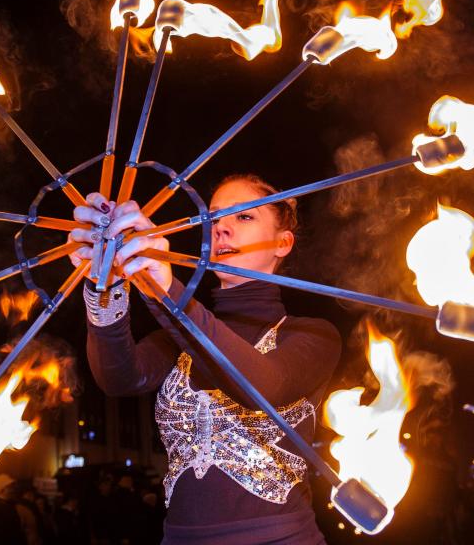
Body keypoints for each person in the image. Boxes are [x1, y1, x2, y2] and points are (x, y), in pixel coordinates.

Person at [70, 174, 341, 544]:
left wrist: (165, 289)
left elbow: (265, 384)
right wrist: (105, 284)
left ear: (283, 242)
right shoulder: (176, 337)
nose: (222, 229)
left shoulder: (312, 334)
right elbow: (120, 378)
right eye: (213, 219)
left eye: (243, 216)